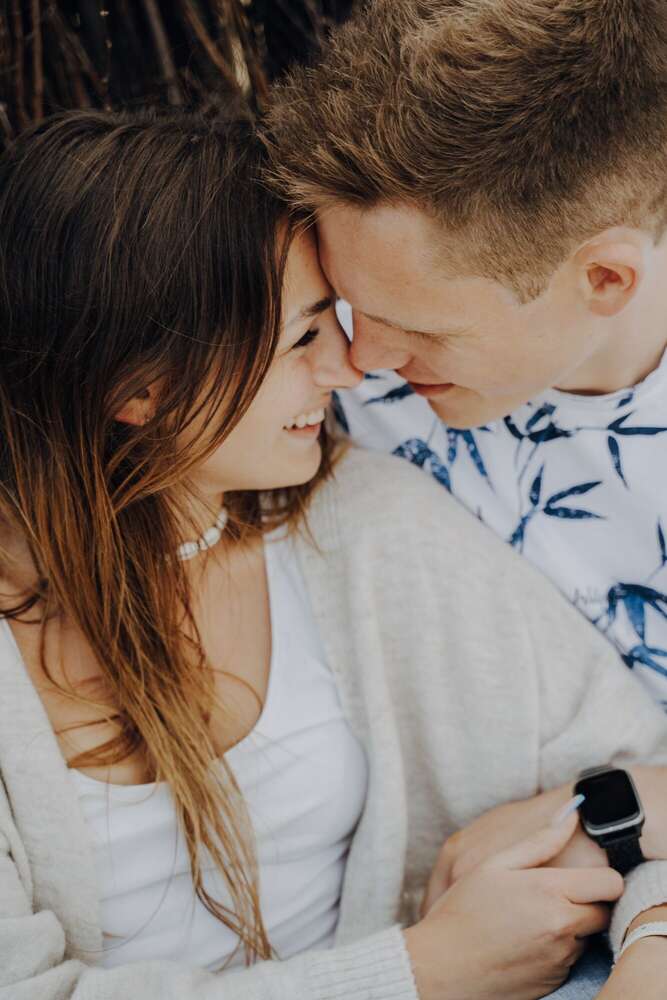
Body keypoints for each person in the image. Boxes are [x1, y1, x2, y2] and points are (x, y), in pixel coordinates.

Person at [1, 108, 667, 1000]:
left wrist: (651, 944)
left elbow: (629, 773)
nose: (350, 371)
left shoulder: (362, 522)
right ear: (140, 391)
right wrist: (421, 971)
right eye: (302, 338)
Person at [266, 0, 667, 705]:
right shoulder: (315, 385)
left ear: (605, 279)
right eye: (344, 302)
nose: (360, 359)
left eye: (420, 330)